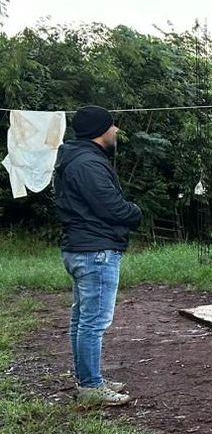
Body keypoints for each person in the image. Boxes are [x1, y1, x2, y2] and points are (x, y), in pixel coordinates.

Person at [53, 105, 143, 407]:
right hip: (95, 251)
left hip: (82, 247)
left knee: (82, 319)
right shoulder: (88, 165)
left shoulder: (76, 158)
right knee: (93, 322)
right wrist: (136, 213)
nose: (116, 131)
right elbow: (113, 208)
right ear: (99, 131)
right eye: (112, 126)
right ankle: (91, 386)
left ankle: (88, 379)